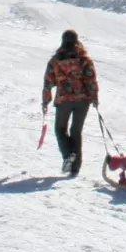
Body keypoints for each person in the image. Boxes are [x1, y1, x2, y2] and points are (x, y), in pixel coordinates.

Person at [41, 29, 98, 176]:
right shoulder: (84, 60)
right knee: (76, 131)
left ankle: (68, 155)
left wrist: (46, 100)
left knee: (60, 129)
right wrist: (94, 97)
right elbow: (90, 80)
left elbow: (48, 81)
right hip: (82, 99)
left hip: (63, 99)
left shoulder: (55, 61)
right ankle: (75, 167)